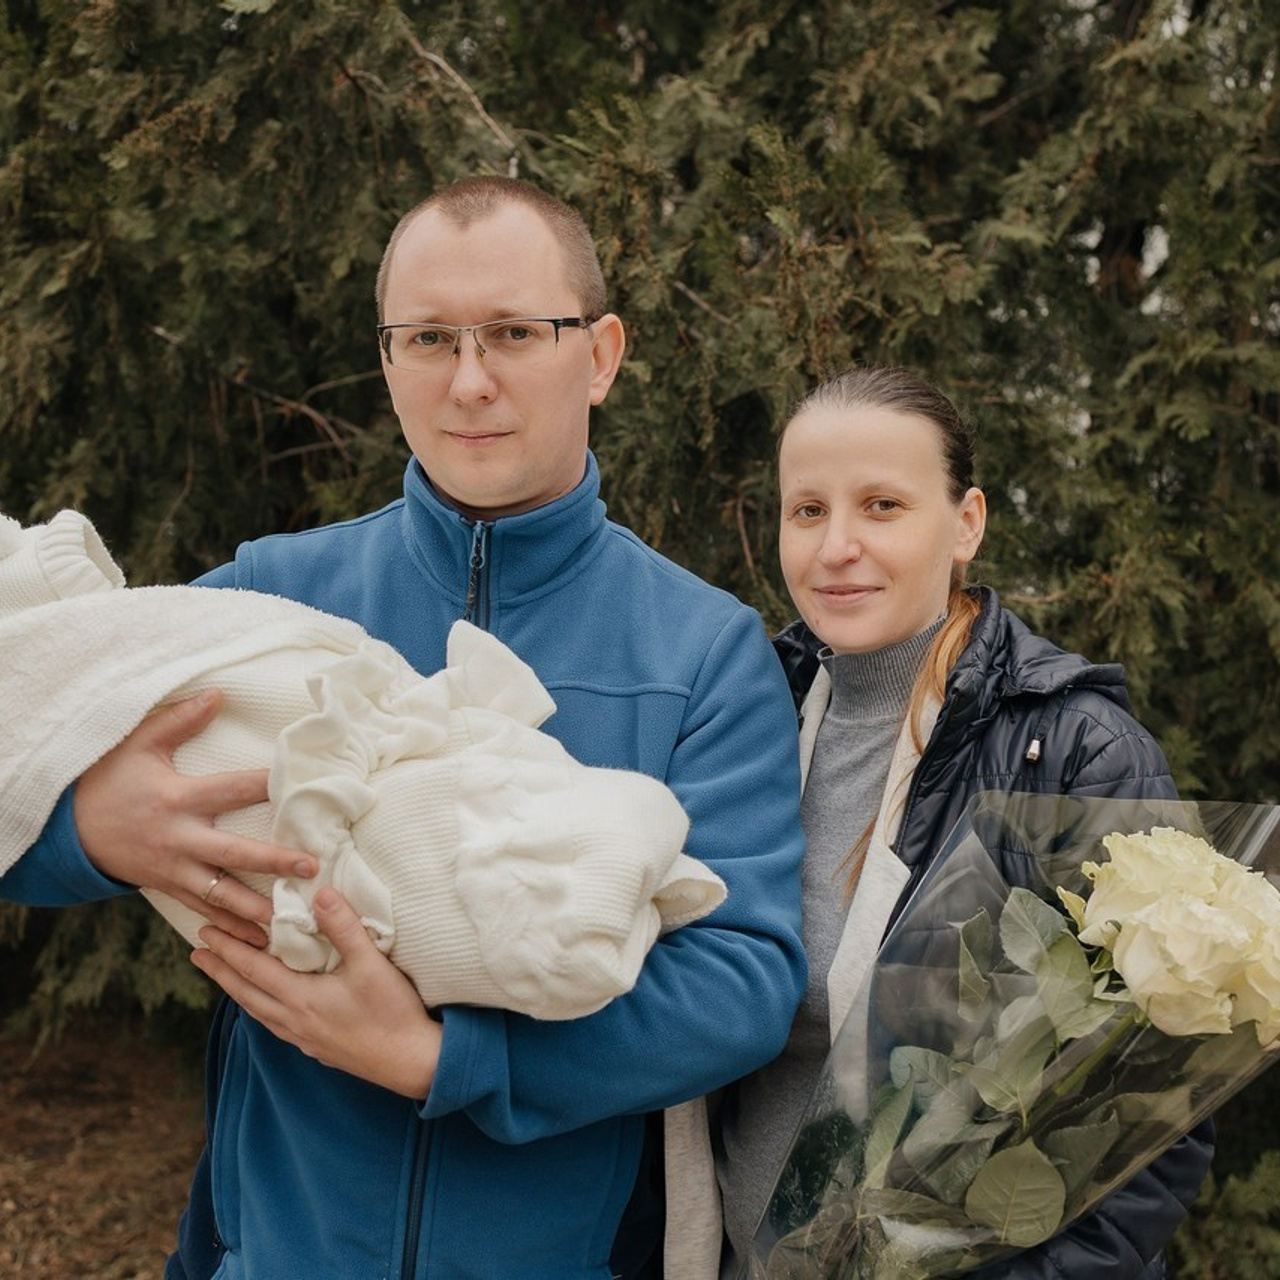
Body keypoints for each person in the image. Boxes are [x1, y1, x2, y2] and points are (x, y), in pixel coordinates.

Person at [0, 176, 808, 1279]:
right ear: (386, 361)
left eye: (515, 333)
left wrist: (439, 1056)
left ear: (602, 353)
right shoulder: (266, 597)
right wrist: (95, 830)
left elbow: (741, 982)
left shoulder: (702, 649)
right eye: (427, 338)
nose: (469, 381)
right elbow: (27, 755)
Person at [705, 366, 1213, 1278]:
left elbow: (1157, 1115)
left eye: (884, 506)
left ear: (967, 522)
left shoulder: (1073, 752)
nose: (837, 547)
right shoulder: (742, 721)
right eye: (808, 510)